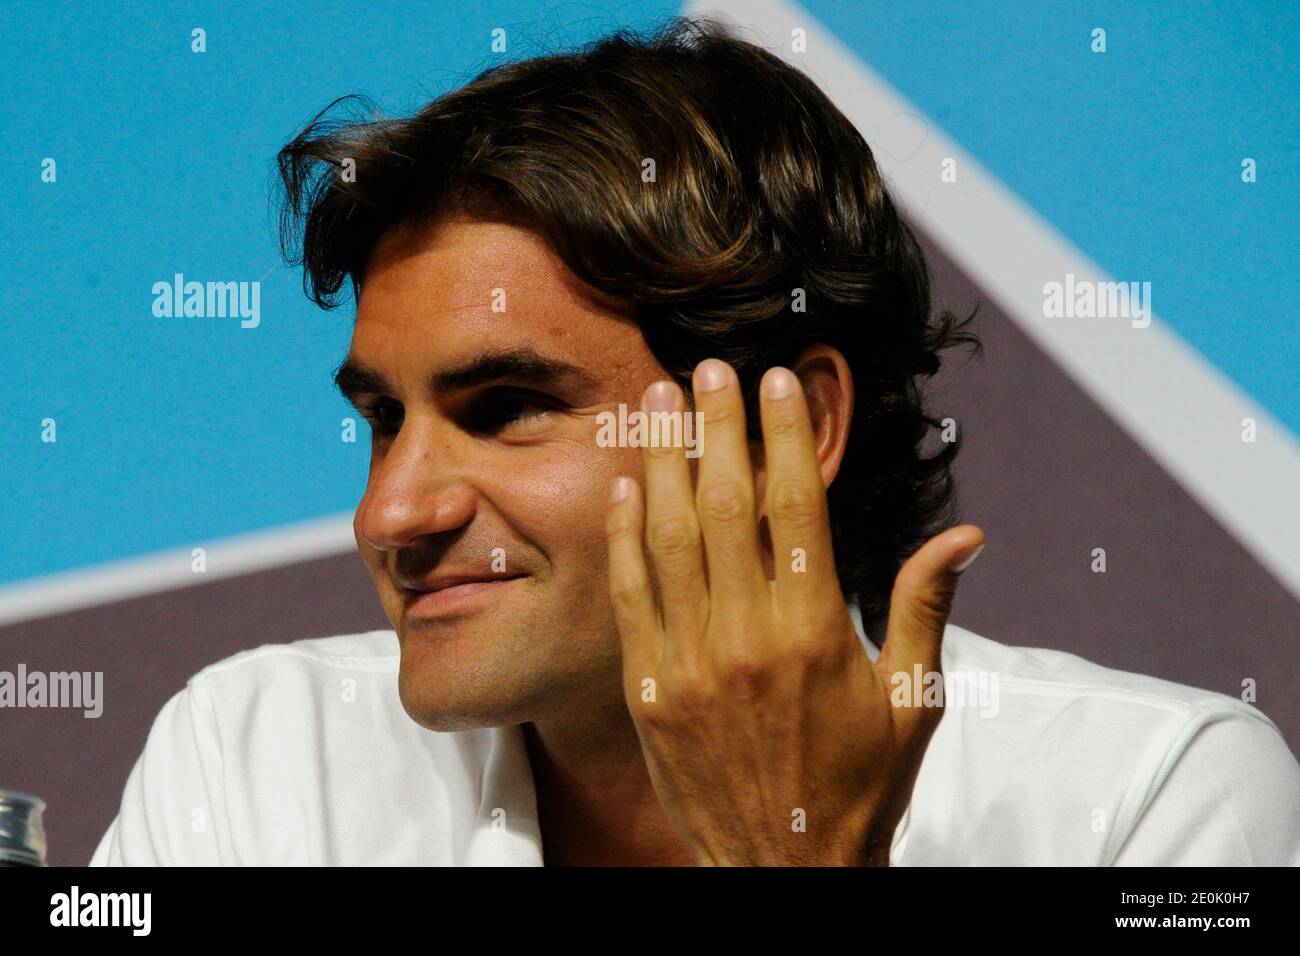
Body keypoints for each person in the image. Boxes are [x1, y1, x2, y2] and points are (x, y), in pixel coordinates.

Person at [91, 17, 1300, 866]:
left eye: (508, 407)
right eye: (381, 420)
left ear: (800, 423)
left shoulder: (1155, 793)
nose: (391, 514)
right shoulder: (252, 751)